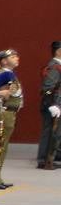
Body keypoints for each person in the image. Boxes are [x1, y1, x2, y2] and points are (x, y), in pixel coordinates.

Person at [0, 49, 23, 188]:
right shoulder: (1, 75)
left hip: (10, 113)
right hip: (3, 113)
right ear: (4, 61)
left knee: (2, 146)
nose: (16, 58)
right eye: (12, 57)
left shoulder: (10, 74)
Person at [38, 41, 61, 170]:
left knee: (56, 133)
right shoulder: (54, 67)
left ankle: (53, 156)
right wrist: (54, 104)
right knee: (49, 132)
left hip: (57, 103)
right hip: (52, 104)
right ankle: (44, 159)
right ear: (58, 51)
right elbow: (48, 88)